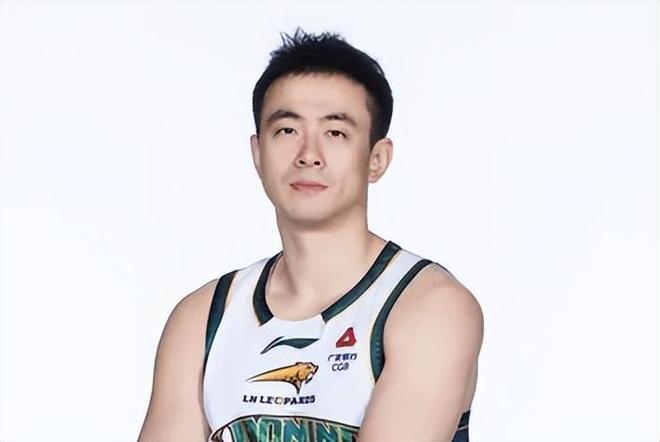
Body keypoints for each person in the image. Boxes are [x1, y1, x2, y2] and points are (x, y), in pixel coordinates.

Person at [138, 27, 484, 442]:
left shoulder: (429, 306)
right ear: (257, 152)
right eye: (287, 130)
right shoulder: (202, 319)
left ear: (376, 159)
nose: (308, 155)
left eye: (335, 133)